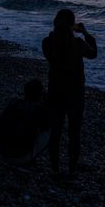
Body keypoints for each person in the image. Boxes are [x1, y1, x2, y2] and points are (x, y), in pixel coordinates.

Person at [42, 9, 97, 178]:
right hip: (75, 93)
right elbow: (93, 53)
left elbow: (52, 56)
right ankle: (71, 171)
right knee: (74, 133)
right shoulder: (78, 43)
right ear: (72, 25)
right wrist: (85, 33)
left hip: (55, 90)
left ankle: (55, 169)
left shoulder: (47, 42)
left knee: (55, 131)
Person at [0, 79, 51, 166]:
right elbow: (48, 124)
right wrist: (46, 104)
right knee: (50, 132)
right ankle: (29, 159)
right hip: (19, 158)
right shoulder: (38, 109)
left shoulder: (14, 103)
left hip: (2, 154)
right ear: (40, 94)